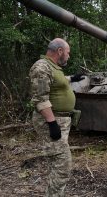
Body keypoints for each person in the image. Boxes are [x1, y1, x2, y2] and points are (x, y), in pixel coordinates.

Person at [29, 38, 84, 196]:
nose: (68, 56)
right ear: (59, 51)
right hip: (52, 120)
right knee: (62, 167)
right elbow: (40, 98)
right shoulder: (41, 67)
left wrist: (72, 78)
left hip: (60, 120)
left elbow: (55, 81)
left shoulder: (52, 67)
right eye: (68, 53)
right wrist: (52, 123)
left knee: (57, 163)